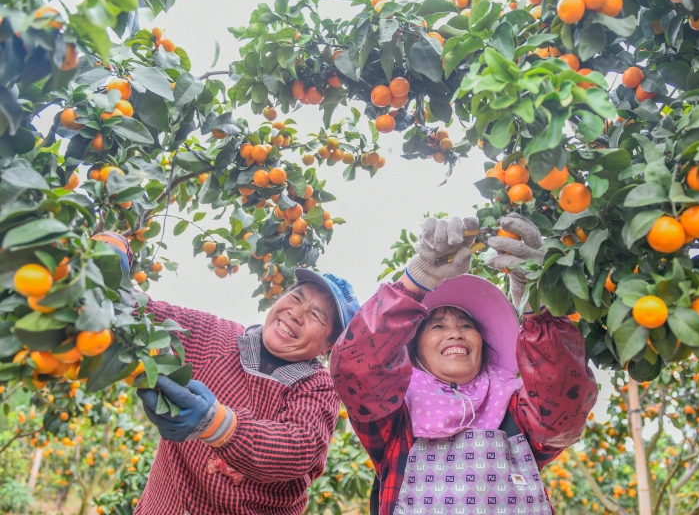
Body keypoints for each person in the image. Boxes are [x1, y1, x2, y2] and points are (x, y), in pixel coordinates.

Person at [331, 214, 598, 514]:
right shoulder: (398, 412)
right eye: (438, 327)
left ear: (483, 346)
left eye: (466, 326)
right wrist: (416, 279)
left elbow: (564, 407)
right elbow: (357, 370)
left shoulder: (514, 405)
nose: (455, 333)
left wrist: (537, 303)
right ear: (416, 351)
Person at [92, 232, 360, 515]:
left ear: (330, 344)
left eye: (317, 315)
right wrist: (111, 254)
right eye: (296, 297)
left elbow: (297, 448)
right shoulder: (216, 337)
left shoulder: (319, 387)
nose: (296, 313)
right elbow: (141, 317)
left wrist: (216, 424)